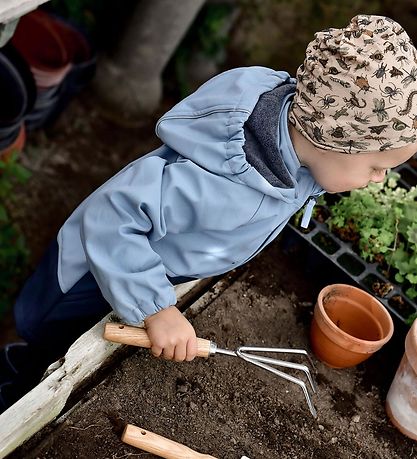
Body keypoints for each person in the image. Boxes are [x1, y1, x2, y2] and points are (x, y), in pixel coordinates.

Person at [1, 14, 417, 412]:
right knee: (44, 347)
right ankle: (12, 379)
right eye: (377, 167)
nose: (380, 179)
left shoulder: (286, 118)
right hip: (90, 274)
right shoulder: (223, 186)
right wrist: (156, 309)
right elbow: (113, 216)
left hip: (152, 261)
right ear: (333, 141)